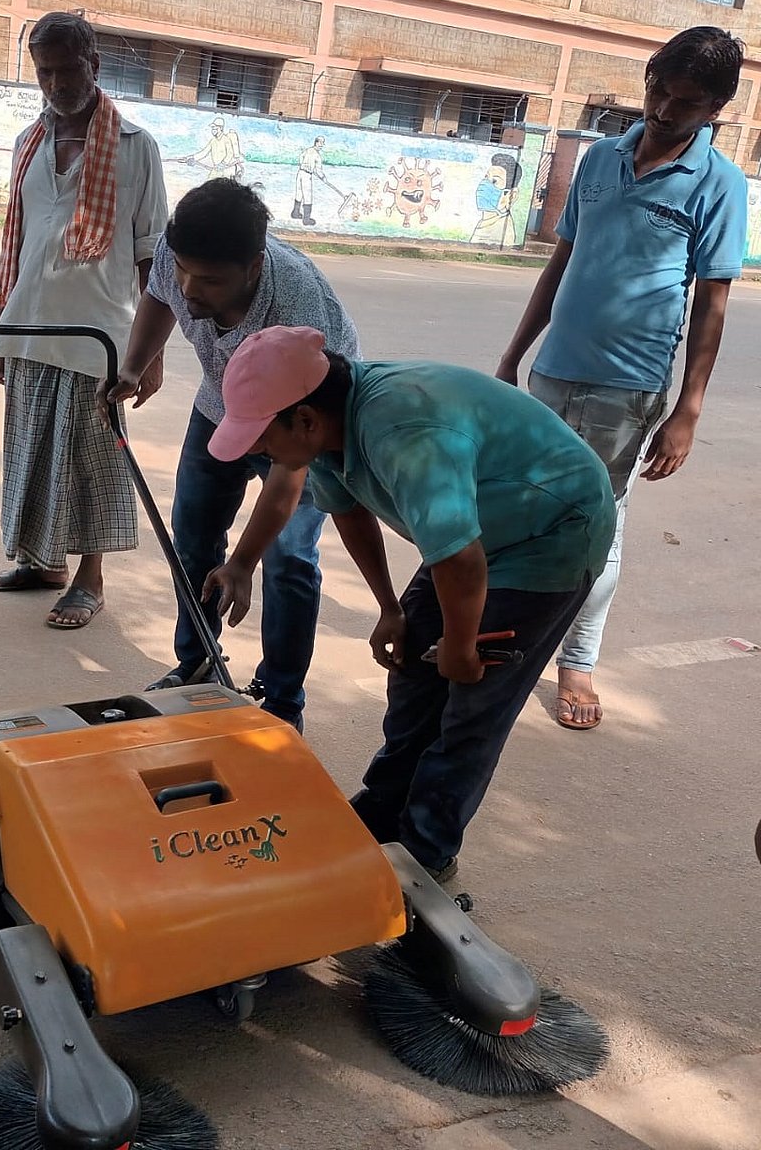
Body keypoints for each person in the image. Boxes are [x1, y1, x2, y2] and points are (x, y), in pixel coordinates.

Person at [204, 326, 616, 878]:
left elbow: (460, 560)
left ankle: (425, 853)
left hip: (551, 532)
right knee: (413, 674)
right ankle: (382, 811)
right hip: (477, 530)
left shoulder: (402, 431)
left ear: (302, 419)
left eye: (260, 439)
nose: (257, 452)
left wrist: (464, 650)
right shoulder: (326, 432)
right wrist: (390, 609)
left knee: (471, 705)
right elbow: (350, 514)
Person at [496, 26, 747, 732]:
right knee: (526, 508)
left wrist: (688, 408)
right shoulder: (602, 159)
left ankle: (577, 659)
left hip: (629, 387)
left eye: (685, 102)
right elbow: (561, 264)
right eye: (656, 90)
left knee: (597, 524)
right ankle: (510, 636)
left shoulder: (719, 185)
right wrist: (517, 352)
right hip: (553, 371)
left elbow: (712, 301)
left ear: (717, 106)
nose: (663, 110)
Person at [102, 180, 359, 730]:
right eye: (186, 271)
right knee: (192, 535)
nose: (191, 289)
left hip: (298, 420)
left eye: (211, 280)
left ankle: (282, 700)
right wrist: (134, 363)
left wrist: (243, 562)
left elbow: (291, 469)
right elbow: (160, 296)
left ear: (253, 267)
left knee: (289, 558)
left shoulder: (293, 309)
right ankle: (198, 665)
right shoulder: (180, 258)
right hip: (222, 403)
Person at [0, 12, 167, 629]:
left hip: (101, 335)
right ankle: (43, 562)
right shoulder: (27, 143)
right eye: (46, 71)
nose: (57, 83)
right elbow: (21, 238)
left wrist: (152, 355)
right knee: (31, 451)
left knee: (93, 461)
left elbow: (152, 255)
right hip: (31, 323)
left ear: (95, 65)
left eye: (69, 68)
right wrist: (2, 325)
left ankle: (90, 577)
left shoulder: (138, 149)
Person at [470, 153, 521, 246]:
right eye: (486, 177)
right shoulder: (487, 221)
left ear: (511, 195)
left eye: (494, 181)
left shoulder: (502, 230)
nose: (484, 184)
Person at [292, 136, 326, 226]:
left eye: (323, 143)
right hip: (306, 175)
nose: (322, 145)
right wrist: (323, 177)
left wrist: (303, 165)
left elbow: (301, 157)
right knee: (307, 196)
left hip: (300, 172)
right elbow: (318, 170)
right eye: (321, 143)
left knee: (299, 193)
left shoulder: (308, 150)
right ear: (316, 142)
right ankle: (306, 219)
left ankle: (295, 213)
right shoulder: (317, 155)